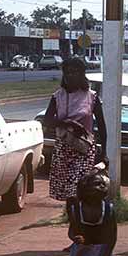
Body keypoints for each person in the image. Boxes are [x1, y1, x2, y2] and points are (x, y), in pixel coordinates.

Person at [44, 57, 108, 203]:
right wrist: (66, 123)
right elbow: (47, 120)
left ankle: (83, 218)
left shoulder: (92, 97)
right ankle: (72, 218)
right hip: (63, 150)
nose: (71, 75)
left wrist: (104, 153)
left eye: (75, 72)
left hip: (84, 150)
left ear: (82, 74)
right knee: (68, 194)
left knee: (81, 187)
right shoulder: (57, 97)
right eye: (67, 72)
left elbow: (102, 127)